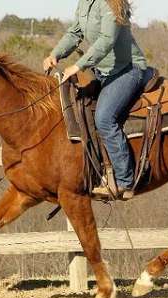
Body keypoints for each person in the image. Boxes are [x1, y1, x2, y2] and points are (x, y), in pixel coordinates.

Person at [43, 0, 154, 200]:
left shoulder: (112, 3)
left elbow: (107, 40)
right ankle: (95, 170)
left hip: (127, 70)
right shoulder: (84, 3)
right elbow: (74, 32)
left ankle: (124, 181)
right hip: (102, 70)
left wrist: (79, 66)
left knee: (104, 118)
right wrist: (55, 54)